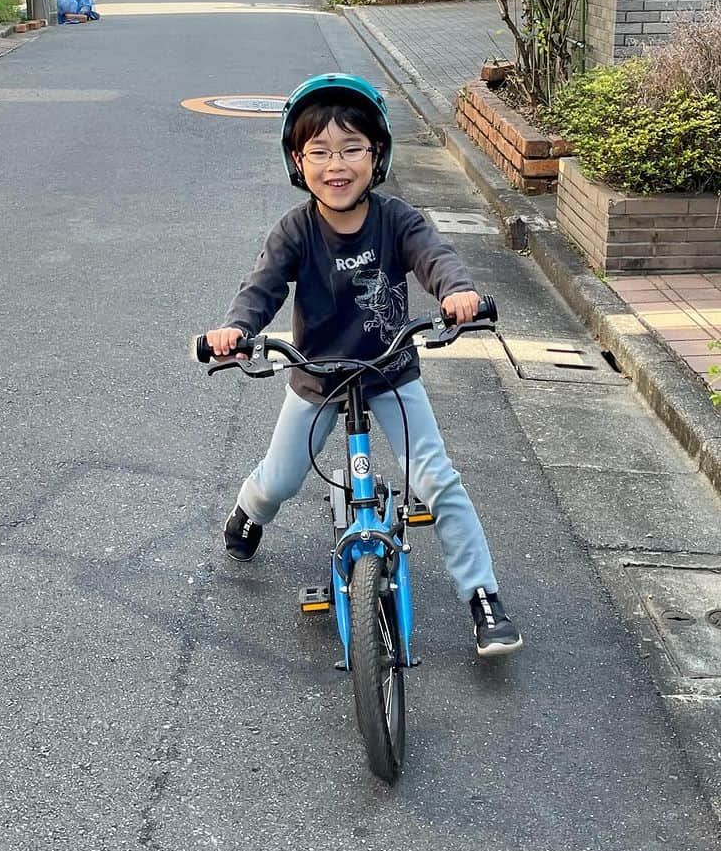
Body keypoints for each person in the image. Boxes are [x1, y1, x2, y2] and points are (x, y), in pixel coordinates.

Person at [202, 73, 523, 657]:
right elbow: (262, 287)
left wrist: (458, 293)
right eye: (320, 152)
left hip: (389, 373)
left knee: (435, 480)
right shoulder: (296, 230)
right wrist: (238, 330)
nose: (337, 164)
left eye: (352, 149)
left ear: (377, 156)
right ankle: (247, 511)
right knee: (280, 479)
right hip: (316, 375)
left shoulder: (397, 219)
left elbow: (437, 257)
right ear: (298, 163)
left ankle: (483, 597)